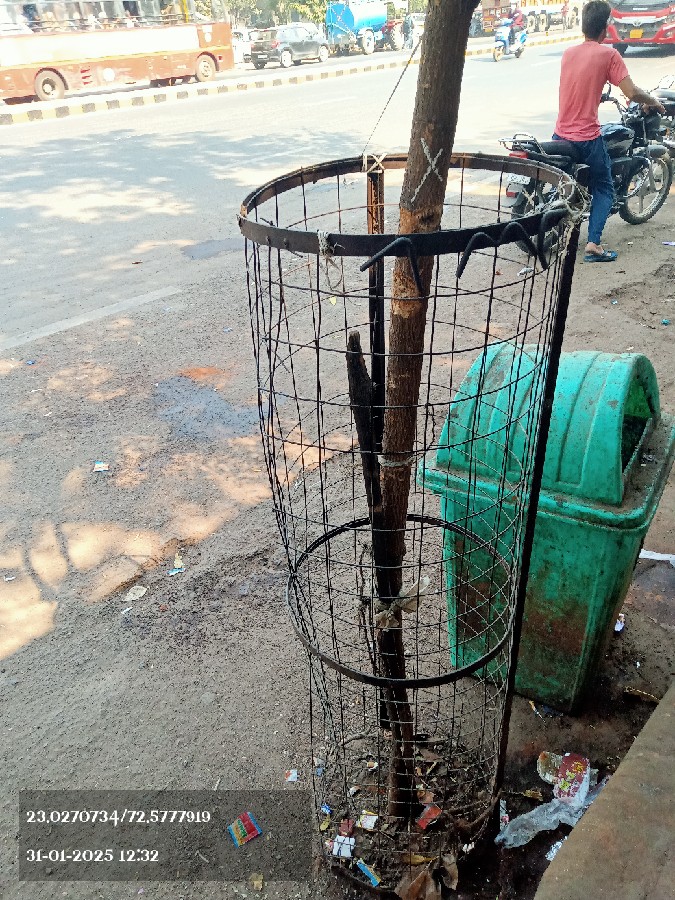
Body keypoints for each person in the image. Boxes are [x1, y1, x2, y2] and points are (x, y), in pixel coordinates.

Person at [553, 0, 665, 262]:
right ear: (606, 26)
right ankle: (593, 245)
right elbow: (631, 92)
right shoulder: (609, 55)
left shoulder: (569, 53)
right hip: (586, 139)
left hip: (559, 135)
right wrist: (653, 102)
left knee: (567, 182)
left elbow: (581, 84)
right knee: (604, 188)